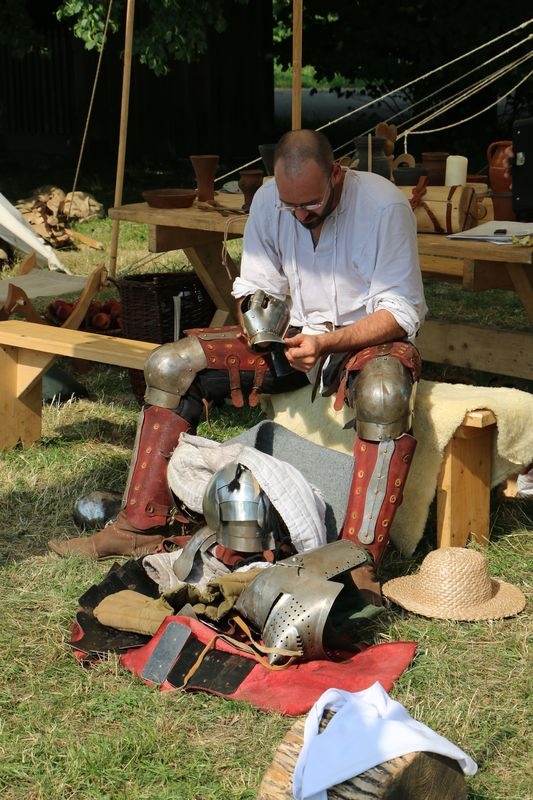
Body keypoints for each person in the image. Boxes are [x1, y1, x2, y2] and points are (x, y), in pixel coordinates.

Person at [49, 130, 427, 594]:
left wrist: (329, 342)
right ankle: (137, 528)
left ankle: (359, 561)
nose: (300, 215)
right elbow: (258, 283)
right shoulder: (271, 201)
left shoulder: (384, 207)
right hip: (296, 341)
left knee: (383, 392)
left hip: (365, 342)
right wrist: (261, 323)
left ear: (336, 174)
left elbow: (402, 311)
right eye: (292, 207)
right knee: (171, 364)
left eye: (311, 203)